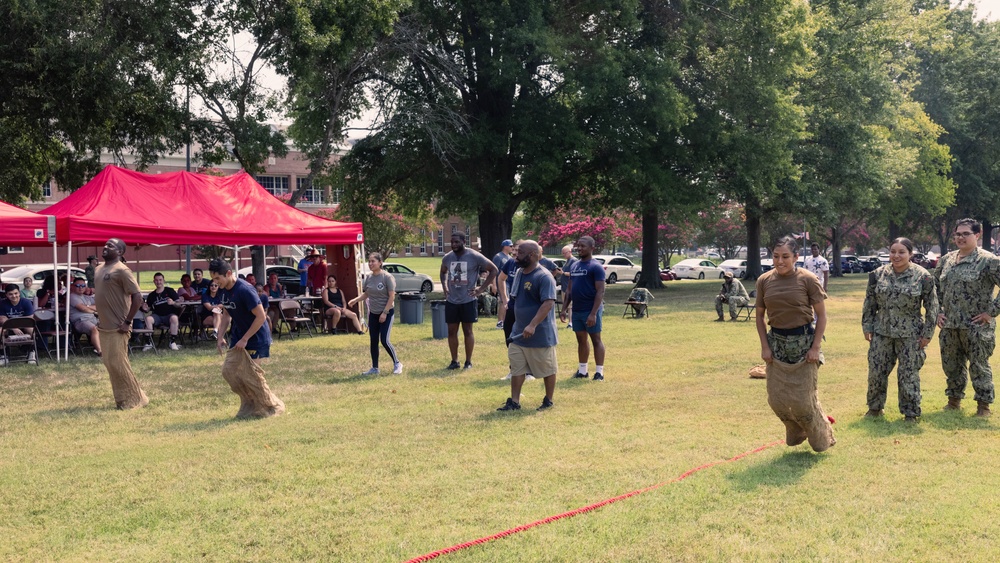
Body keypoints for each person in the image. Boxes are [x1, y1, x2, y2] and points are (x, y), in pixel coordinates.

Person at [756, 236, 834, 451]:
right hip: (776, 344)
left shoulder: (807, 279)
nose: (780, 261)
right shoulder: (764, 280)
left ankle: (822, 435)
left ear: (796, 257)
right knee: (776, 398)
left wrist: (815, 348)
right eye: (775, 256)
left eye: (785, 257)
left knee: (803, 400)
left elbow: (822, 316)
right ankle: (794, 428)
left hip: (803, 344)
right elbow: (759, 317)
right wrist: (765, 346)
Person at [862, 237, 938, 421]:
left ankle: (910, 413)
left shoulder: (923, 276)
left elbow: (932, 307)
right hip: (882, 333)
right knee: (876, 372)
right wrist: (867, 326)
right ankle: (874, 408)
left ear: (910, 254)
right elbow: (870, 303)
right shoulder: (878, 274)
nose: (896, 256)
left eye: (902, 252)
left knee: (908, 374)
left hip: (910, 335)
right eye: (893, 251)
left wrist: (928, 334)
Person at [933, 218, 1000, 417]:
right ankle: (953, 401)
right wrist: (938, 311)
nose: (960, 237)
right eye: (958, 234)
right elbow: (934, 288)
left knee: (979, 366)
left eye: (966, 234)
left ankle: (983, 406)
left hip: (976, 326)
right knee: (951, 365)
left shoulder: (989, 261)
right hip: (950, 325)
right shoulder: (947, 260)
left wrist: (991, 313)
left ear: (977, 235)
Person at [210, 258, 284, 418]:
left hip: (256, 337)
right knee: (229, 371)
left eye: (218, 278)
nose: (215, 282)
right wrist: (220, 336)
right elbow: (226, 315)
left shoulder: (245, 290)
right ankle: (249, 402)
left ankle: (271, 407)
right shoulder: (223, 291)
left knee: (251, 375)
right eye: (213, 279)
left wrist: (245, 339)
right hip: (239, 336)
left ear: (228, 273)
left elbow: (261, 316)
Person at [497, 240, 559, 411]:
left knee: (547, 368)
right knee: (517, 368)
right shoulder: (519, 273)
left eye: (520, 253)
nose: (516, 256)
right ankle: (514, 401)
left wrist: (532, 325)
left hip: (539, 334)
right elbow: (516, 299)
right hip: (519, 333)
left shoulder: (544, 276)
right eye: (515, 252)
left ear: (532, 255)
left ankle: (548, 400)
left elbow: (548, 303)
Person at [93, 238, 149, 409]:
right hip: (104, 325)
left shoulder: (123, 270)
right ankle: (129, 398)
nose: (105, 246)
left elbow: (138, 297)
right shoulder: (98, 269)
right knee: (109, 362)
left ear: (120, 252)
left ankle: (134, 400)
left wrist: (128, 322)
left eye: (111, 246)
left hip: (119, 326)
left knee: (118, 362)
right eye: (106, 244)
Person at [440, 232, 499, 370]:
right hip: (452, 300)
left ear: (463, 241)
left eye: (456, 242)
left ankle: (468, 361)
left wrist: (480, 289)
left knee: (468, 331)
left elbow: (494, 270)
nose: (453, 245)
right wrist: (444, 287)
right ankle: (454, 361)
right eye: (452, 242)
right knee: (451, 331)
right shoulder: (448, 258)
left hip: (468, 299)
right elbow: (443, 272)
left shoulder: (474, 256)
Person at [560, 236, 606, 381]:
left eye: (583, 246)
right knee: (581, 340)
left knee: (596, 339)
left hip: (591, 310)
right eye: (578, 246)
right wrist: (564, 309)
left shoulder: (596, 266)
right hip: (578, 310)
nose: (579, 249)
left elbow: (600, 291)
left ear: (592, 248)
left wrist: (593, 313)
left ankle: (599, 372)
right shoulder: (575, 266)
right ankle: (582, 371)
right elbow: (569, 290)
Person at [349, 253, 402, 375]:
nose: (371, 263)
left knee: (384, 340)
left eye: (373, 261)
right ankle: (375, 368)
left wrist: (384, 313)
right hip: (373, 313)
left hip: (386, 313)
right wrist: (356, 300)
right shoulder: (369, 277)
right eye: (369, 261)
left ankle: (397, 363)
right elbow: (367, 294)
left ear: (380, 262)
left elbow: (391, 297)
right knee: (373, 340)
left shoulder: (387, 277)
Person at [142, 272, 182, 350]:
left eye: (160, 280)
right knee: (148, 319)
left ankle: (172, 342)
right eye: (156, 280)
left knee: (174, 318)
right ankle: (148, 343)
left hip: (169, 315)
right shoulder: (152, 295)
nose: (158, 282)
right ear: (154, 282)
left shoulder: (170, 291)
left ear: (163, 280)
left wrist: (173, 303)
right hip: (157, 316)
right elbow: (148, 309)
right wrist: (145, 308)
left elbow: (179, 305)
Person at [0, 284, 36, 364]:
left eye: (16, 293)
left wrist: (17, 326)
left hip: (24, 325)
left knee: (31, 329)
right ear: (6, 295)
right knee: (0, 331)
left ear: (19, 293)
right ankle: (3, 355)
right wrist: (14, 328)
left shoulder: (27, 302)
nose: (14, 296)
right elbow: (2, 319)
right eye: (10, 294)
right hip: (8, 326)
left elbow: (29, 319)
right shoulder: (2, 303)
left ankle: (31, 352)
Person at [69, 277, 102, 356]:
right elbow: (82, 308)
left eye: (83, 285)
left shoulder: (87, 297)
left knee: (109, 327)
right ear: (73, 286)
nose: (81, 287)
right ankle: (100, 351)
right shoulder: (72, 296)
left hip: (93, 319)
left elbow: (100, 306)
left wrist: (88, 306)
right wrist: (93, 310)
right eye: (78, 285)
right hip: (80, 321)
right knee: (94, 329)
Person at [492, 239, 514, 328]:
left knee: (508, 301)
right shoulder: (498, 257)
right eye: (511, 246)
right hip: (500, 282)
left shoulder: (510, 257)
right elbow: (494, 271)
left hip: (509, 282)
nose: (512, 248)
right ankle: (500, 322)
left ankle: (505, 321)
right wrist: (494, 285)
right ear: (505, 246)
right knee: (502, 301)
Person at [559, 243, 577, 325]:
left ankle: (571, 322)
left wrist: (563, 273)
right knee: (566, 305)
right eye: (562, 253)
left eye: (565, 253)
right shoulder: (567, 261)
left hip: (569, 287)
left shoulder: (574, 261)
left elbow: (573, 273)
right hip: (564, 286)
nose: (563, 255)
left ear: (570, 252)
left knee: (570, 306)